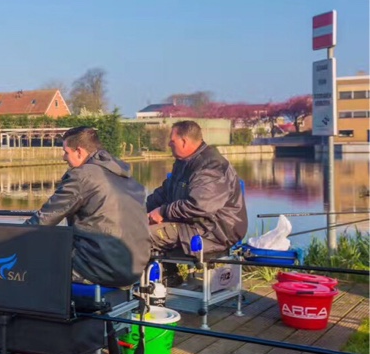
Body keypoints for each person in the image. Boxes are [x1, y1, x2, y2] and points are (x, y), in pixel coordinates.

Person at [25, 126, 151, 287]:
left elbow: (44, 220)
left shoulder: (83, 175)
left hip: (100, 268)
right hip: (134, 268)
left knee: (29, 262)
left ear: (79, 151)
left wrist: (9, 240)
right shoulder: (127, 178)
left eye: (66, 152)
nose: (64, 158)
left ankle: (34, 311)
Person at [146, 120, 248, 265]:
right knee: (135, 226)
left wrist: (163, 212)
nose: (169, 144)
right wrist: (140, 210)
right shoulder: (183, 163)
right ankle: (165, 277)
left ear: (184, 141)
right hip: (193, 224)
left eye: (172, 140)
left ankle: (128, 281)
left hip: (214, 232)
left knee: (142, 235)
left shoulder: (211, 165)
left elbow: (199, 206)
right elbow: (164, 193)